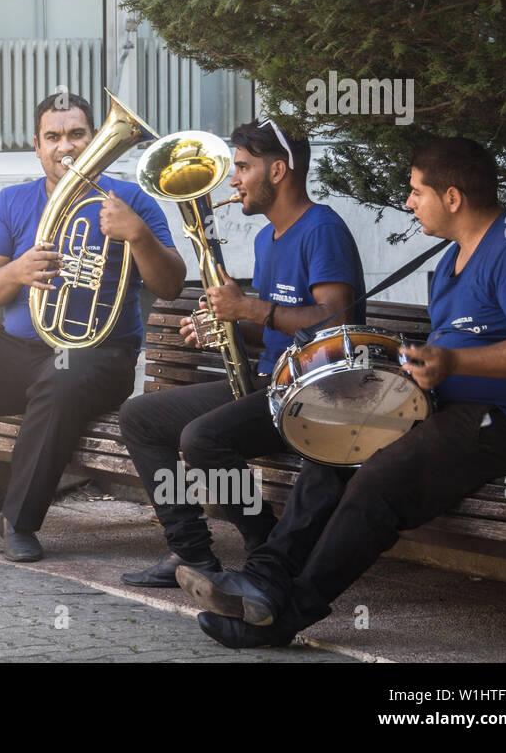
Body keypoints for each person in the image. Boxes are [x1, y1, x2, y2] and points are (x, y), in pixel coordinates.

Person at [177, 138, 506, 649]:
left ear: (452, 197)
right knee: (339, 440)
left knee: (378, 479)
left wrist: (452, 362)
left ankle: (285, 614)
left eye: (415, 191)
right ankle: (265, 578)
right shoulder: (452, 257)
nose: (408, 202)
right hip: (451, 403)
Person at [0, 92, 186, 562]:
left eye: (77, 134)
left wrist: (138, 235)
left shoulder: (130, 200)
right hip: (21, 347)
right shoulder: (11, 202)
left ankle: (22, 521)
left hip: (101, 354)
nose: (66, 147)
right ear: (37, 145)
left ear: (94, 140)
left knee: (62, 375)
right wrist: (17, 271)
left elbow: (171, 285)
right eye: (53, 137)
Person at [116, 120, 366, 586]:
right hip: (272, 386)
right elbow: (275, 327)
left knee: (202, 439)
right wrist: (227, 327)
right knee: (139, 416)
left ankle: (264, 547)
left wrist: (247, 306)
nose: (232, 180)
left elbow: (335, 322)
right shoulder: (265, 238)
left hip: (316, 394)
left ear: (278, 171)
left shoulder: (322, 228)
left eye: (243, 167)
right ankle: (192, 554)